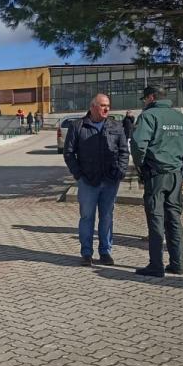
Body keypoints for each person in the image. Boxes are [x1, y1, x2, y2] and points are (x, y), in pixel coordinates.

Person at [130, 86, 183, 277]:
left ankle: (156, 265)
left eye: (145, 98)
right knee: (174, 219)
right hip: (176, 175)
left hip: (156, 175)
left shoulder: (148, 116)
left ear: (151, 97)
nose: (144, 102)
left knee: (156, 219)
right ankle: (177, 263)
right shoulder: (180, 118)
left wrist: (141, 166)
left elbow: (138, 144)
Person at [63, 93, 129, 266]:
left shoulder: (116, 125)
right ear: (92, 107)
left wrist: (121, 171)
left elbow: (124, 150)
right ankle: (86, 253)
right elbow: (69, 153)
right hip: (88, 181)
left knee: (106, 216)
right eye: (102, 105)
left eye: (108, 105)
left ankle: (105, 251)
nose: (106, 108)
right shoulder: (78, 126)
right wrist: (78, 174)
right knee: (87, 217)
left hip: (110, 180)